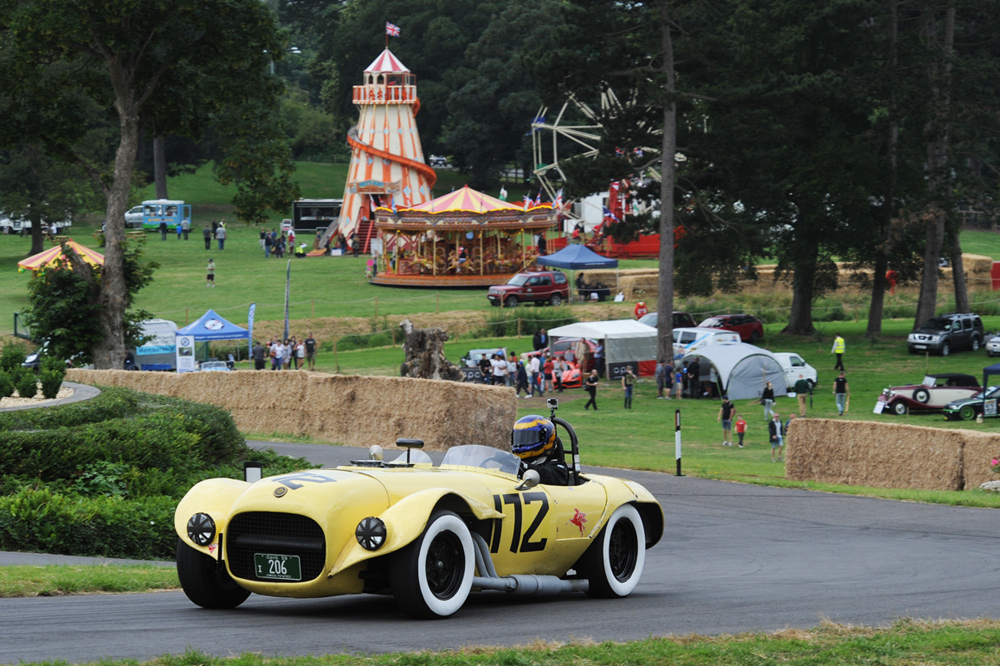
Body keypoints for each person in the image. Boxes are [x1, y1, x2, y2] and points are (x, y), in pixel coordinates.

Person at [511, 415, 568, 486]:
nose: (522, 442)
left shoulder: (558, 469)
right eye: (520, 438)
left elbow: (544, 473)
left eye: (530, 438)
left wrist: (522, 466)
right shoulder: (518, 462)